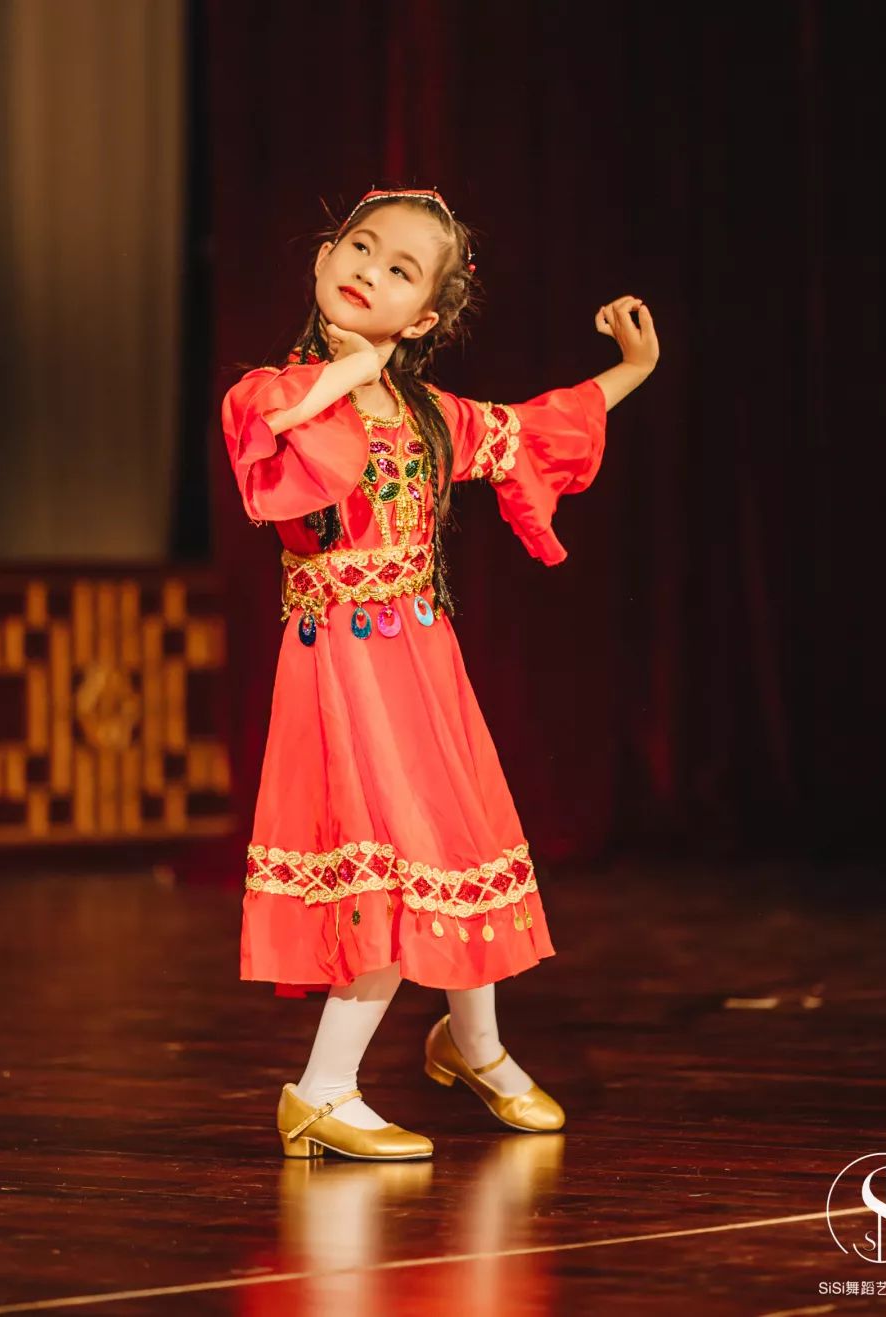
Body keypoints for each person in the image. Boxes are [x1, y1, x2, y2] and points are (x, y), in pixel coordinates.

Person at [221, 186, 659, 1161]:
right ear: (323, 254)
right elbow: (282, 433)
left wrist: (632, 370)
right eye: (360, 247)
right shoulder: (271, 392)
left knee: (461, 845)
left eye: (399, 269)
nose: (368, 270)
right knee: (389, 859)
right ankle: (321, 1091)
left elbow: (539, 428)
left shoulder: (428, 416)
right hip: (341, 666)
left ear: (422, 318)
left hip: (421, 660)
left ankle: (475, 1046)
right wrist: (352, 368)